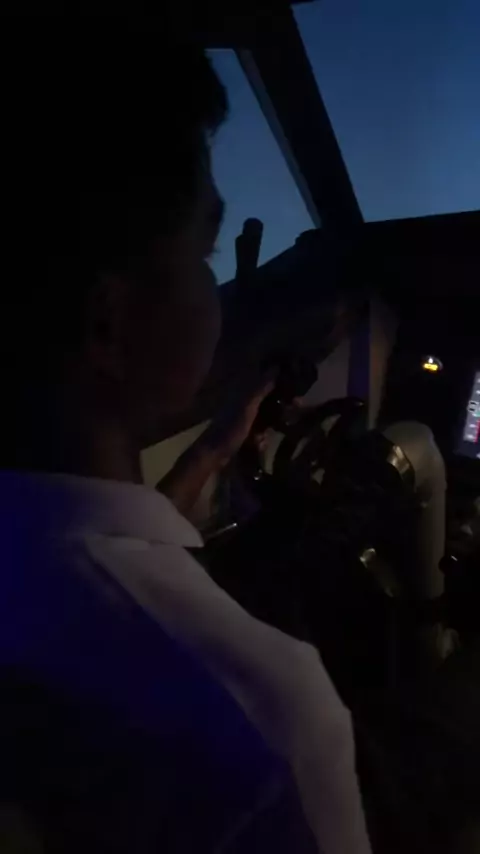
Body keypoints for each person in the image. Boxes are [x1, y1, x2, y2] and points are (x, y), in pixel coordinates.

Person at [0, 18, 371, 854]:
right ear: (108, 321)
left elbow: (86, 553)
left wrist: (214, 449)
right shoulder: (272, 715)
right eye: (205, 256)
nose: (217, 295)